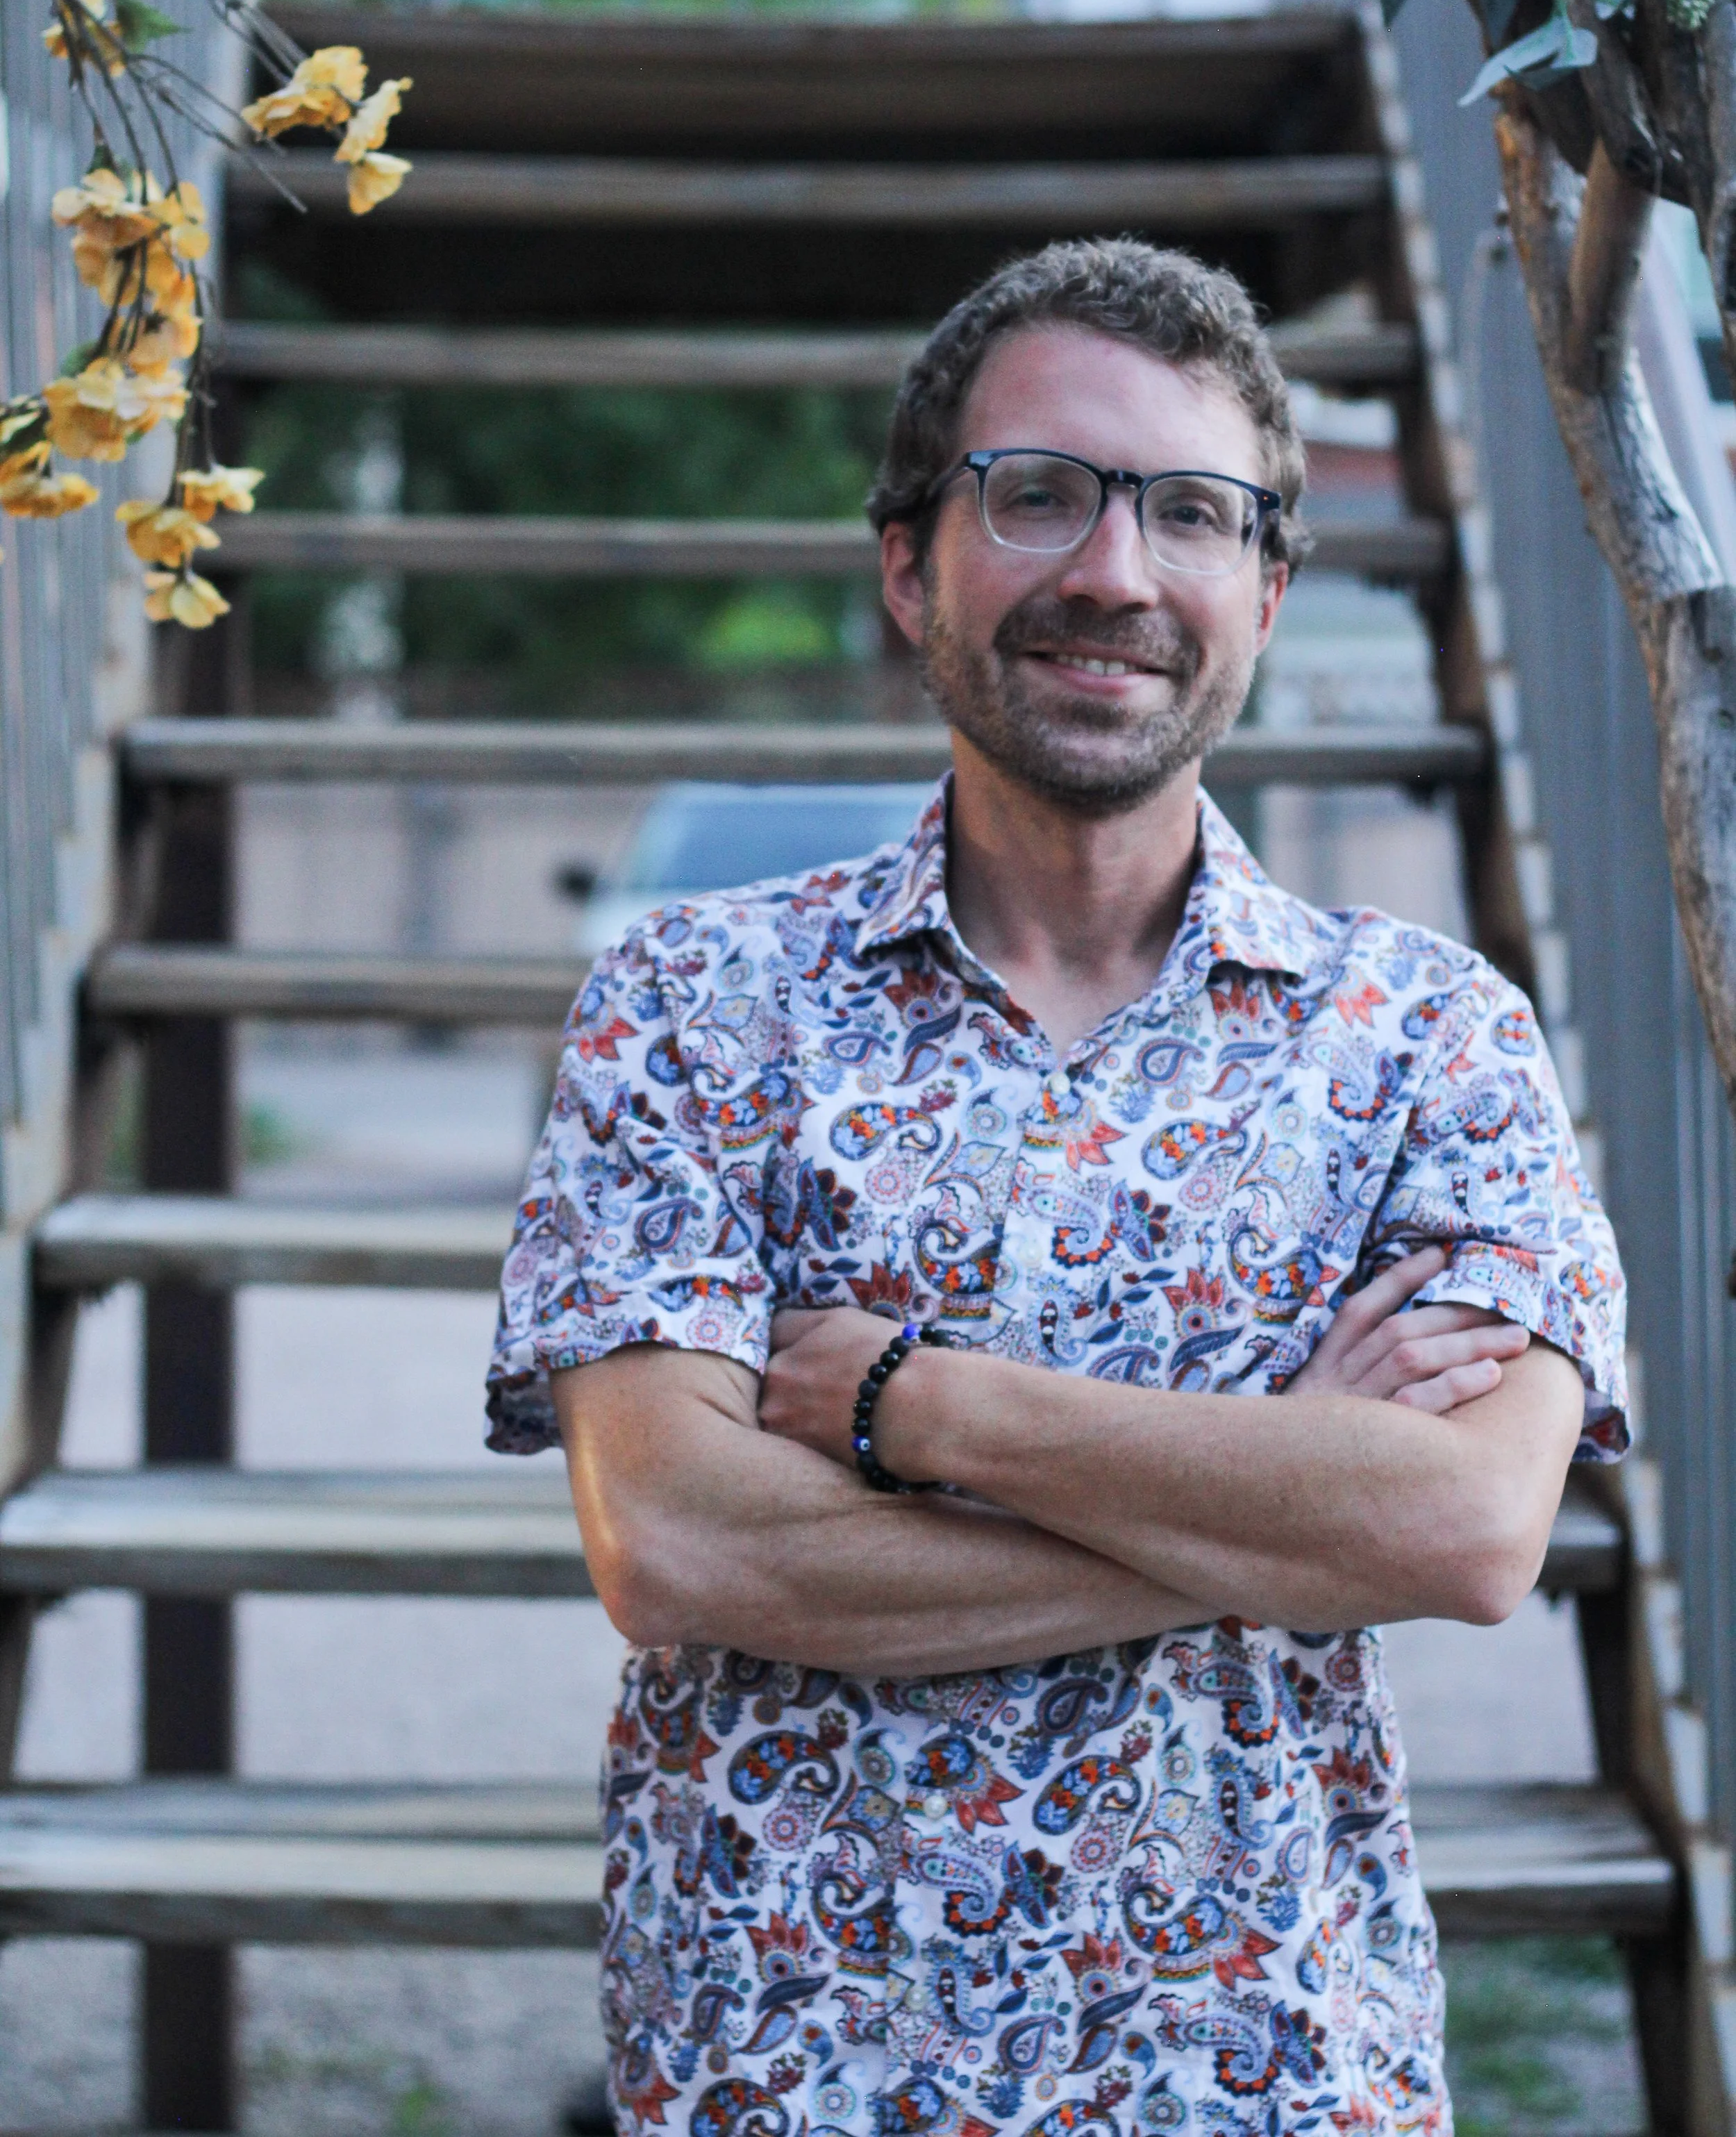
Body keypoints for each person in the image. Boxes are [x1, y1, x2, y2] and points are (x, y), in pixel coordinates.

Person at [487, 237, 1626, 2137]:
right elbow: (684, 1548)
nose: (1112, 571)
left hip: (1267, 2081)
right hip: (788, 2073)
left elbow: (1457, 1530)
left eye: (1190, 512)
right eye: (1038, 496)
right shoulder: (692, 999)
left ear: (1264, 588)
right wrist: (1270, 1498)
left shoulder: (1428, 1032)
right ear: (904, 561)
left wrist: (908, 1401)